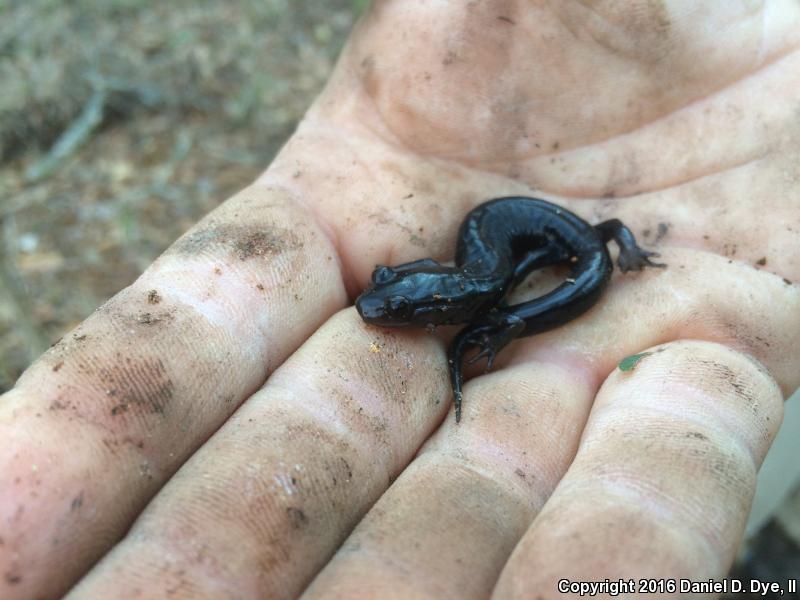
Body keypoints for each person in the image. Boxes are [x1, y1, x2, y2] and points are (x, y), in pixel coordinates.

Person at [2, 2, 799, 598]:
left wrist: (596, 270)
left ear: (432, 311)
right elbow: (451, 280)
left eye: (397, 305)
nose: (381, 306)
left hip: (575, 253)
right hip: (555, 246)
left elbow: (502, 287)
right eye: (390, 296)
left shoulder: (481, 290)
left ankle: (770, 542)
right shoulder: (468, 281)